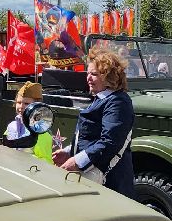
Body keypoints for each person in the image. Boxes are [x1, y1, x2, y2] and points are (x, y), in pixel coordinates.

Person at [53, 49, 134, 196]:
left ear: (110, 77)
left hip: (110, 183)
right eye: (88, 73)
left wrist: (77, 161)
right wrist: (68, 152)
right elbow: (91, 138)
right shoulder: (104, 98)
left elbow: (109, 142)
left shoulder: (117, 102)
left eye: (94, 74)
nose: (88, 78)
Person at [3, 81, 55, 162]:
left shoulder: (41, 133)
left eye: (26, 103)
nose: (21, 106)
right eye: (19, 102)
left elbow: (45, 162)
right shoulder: (11, 126)